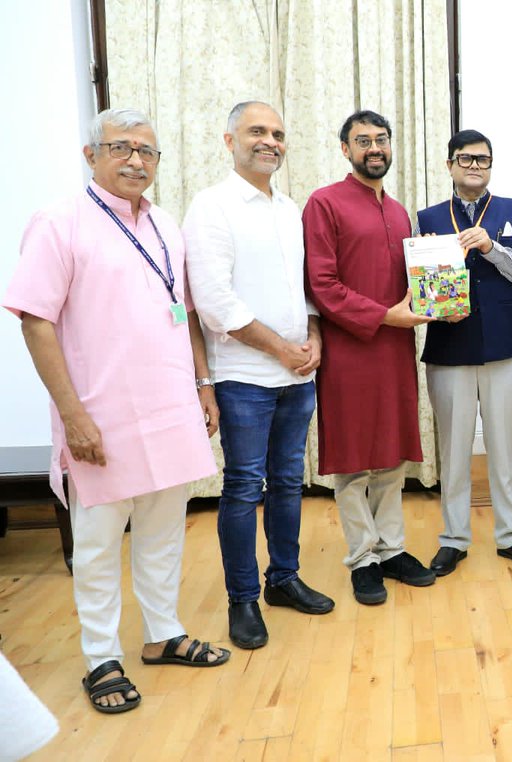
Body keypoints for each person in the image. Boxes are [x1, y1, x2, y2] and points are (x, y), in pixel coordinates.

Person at [3, 108, 230, 714]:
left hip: (171, 407)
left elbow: (183, 313)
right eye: (122, 148)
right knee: (99, 544)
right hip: (99, 418)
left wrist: (203, 384)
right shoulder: (58, 222)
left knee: (163, 535)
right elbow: (35, 321)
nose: (136, 160)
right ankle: (101, 657)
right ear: (91, 154)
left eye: (148, 152)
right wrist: (73, 416)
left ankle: (163, 635)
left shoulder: (165, 224)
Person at [183, 101, 334, 650]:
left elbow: (307, 289)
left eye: (277, 133)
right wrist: (282, 350)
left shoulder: (290, 209)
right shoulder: (211, 207)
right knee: (245, 487)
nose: (269, 141)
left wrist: (314, 337)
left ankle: (284, 579)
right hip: (244, 376)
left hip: (298, 375)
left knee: (290, 483)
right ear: (229, 140)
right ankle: (242, 599)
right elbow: (215, 303)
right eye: (256, 131)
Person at [303, 110, 437, 605]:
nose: (374, 148)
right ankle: (362, 559)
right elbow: (322, 285)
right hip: (350, 349)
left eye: (382, 139)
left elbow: (411, 283)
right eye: (364, 141)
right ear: (345, 149)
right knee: (355, 461)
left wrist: (433, 271)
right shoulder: (324, 204)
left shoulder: (400, 211)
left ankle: (393, 549)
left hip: (395, 348)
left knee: (390, 455)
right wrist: (384, 316)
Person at [413, 129, 512, 576]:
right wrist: (431, 309)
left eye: (482, 160)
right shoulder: (427, 217)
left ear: (491, 165)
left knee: (504, 446)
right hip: (450, 345)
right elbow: (415, 282)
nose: (474, 166)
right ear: (449, 164)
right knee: (452, 449)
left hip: (507, 345)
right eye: (465, 159)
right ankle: (453, 539)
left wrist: (493, 249)